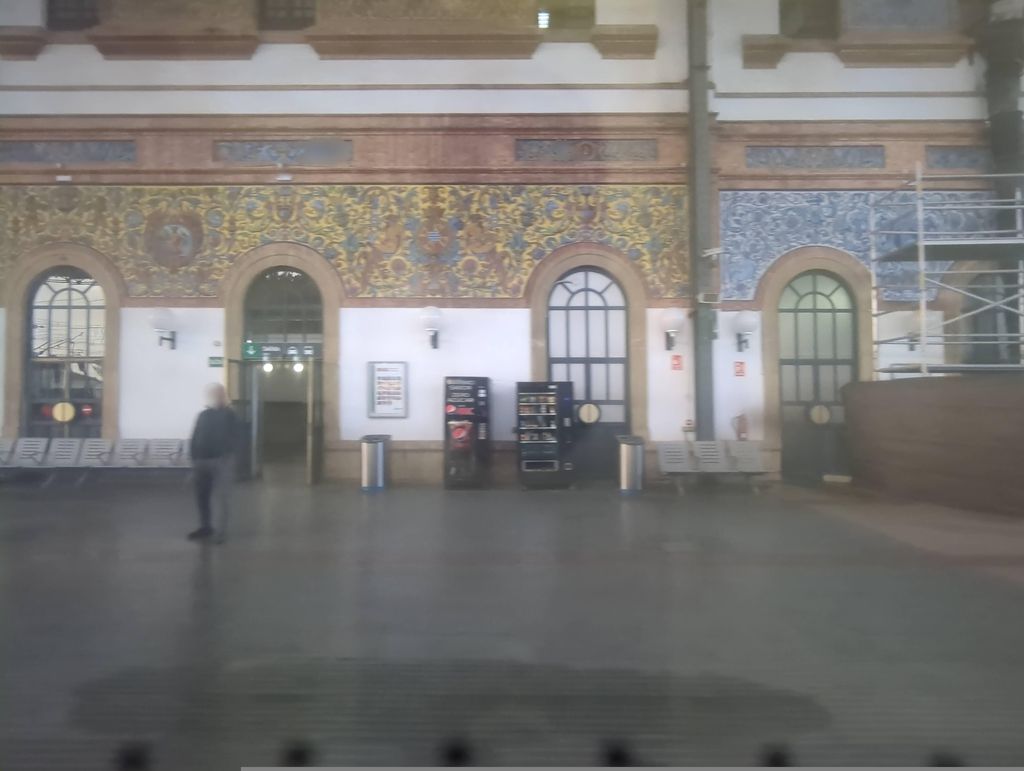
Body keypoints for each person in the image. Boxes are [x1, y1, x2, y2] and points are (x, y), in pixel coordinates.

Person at [188, 382, 239, 544]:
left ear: (223, 396)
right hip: (202, 461)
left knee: (222, 498)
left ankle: (221, 532)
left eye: (219, 394)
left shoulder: (230, 415)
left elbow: (237, 437)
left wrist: (229, 456)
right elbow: (195, 436)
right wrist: (194, 458)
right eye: (213, 394)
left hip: (221, 461)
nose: (216, 397)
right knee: (201, 496)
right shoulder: (203, 415)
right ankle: (205, 526)